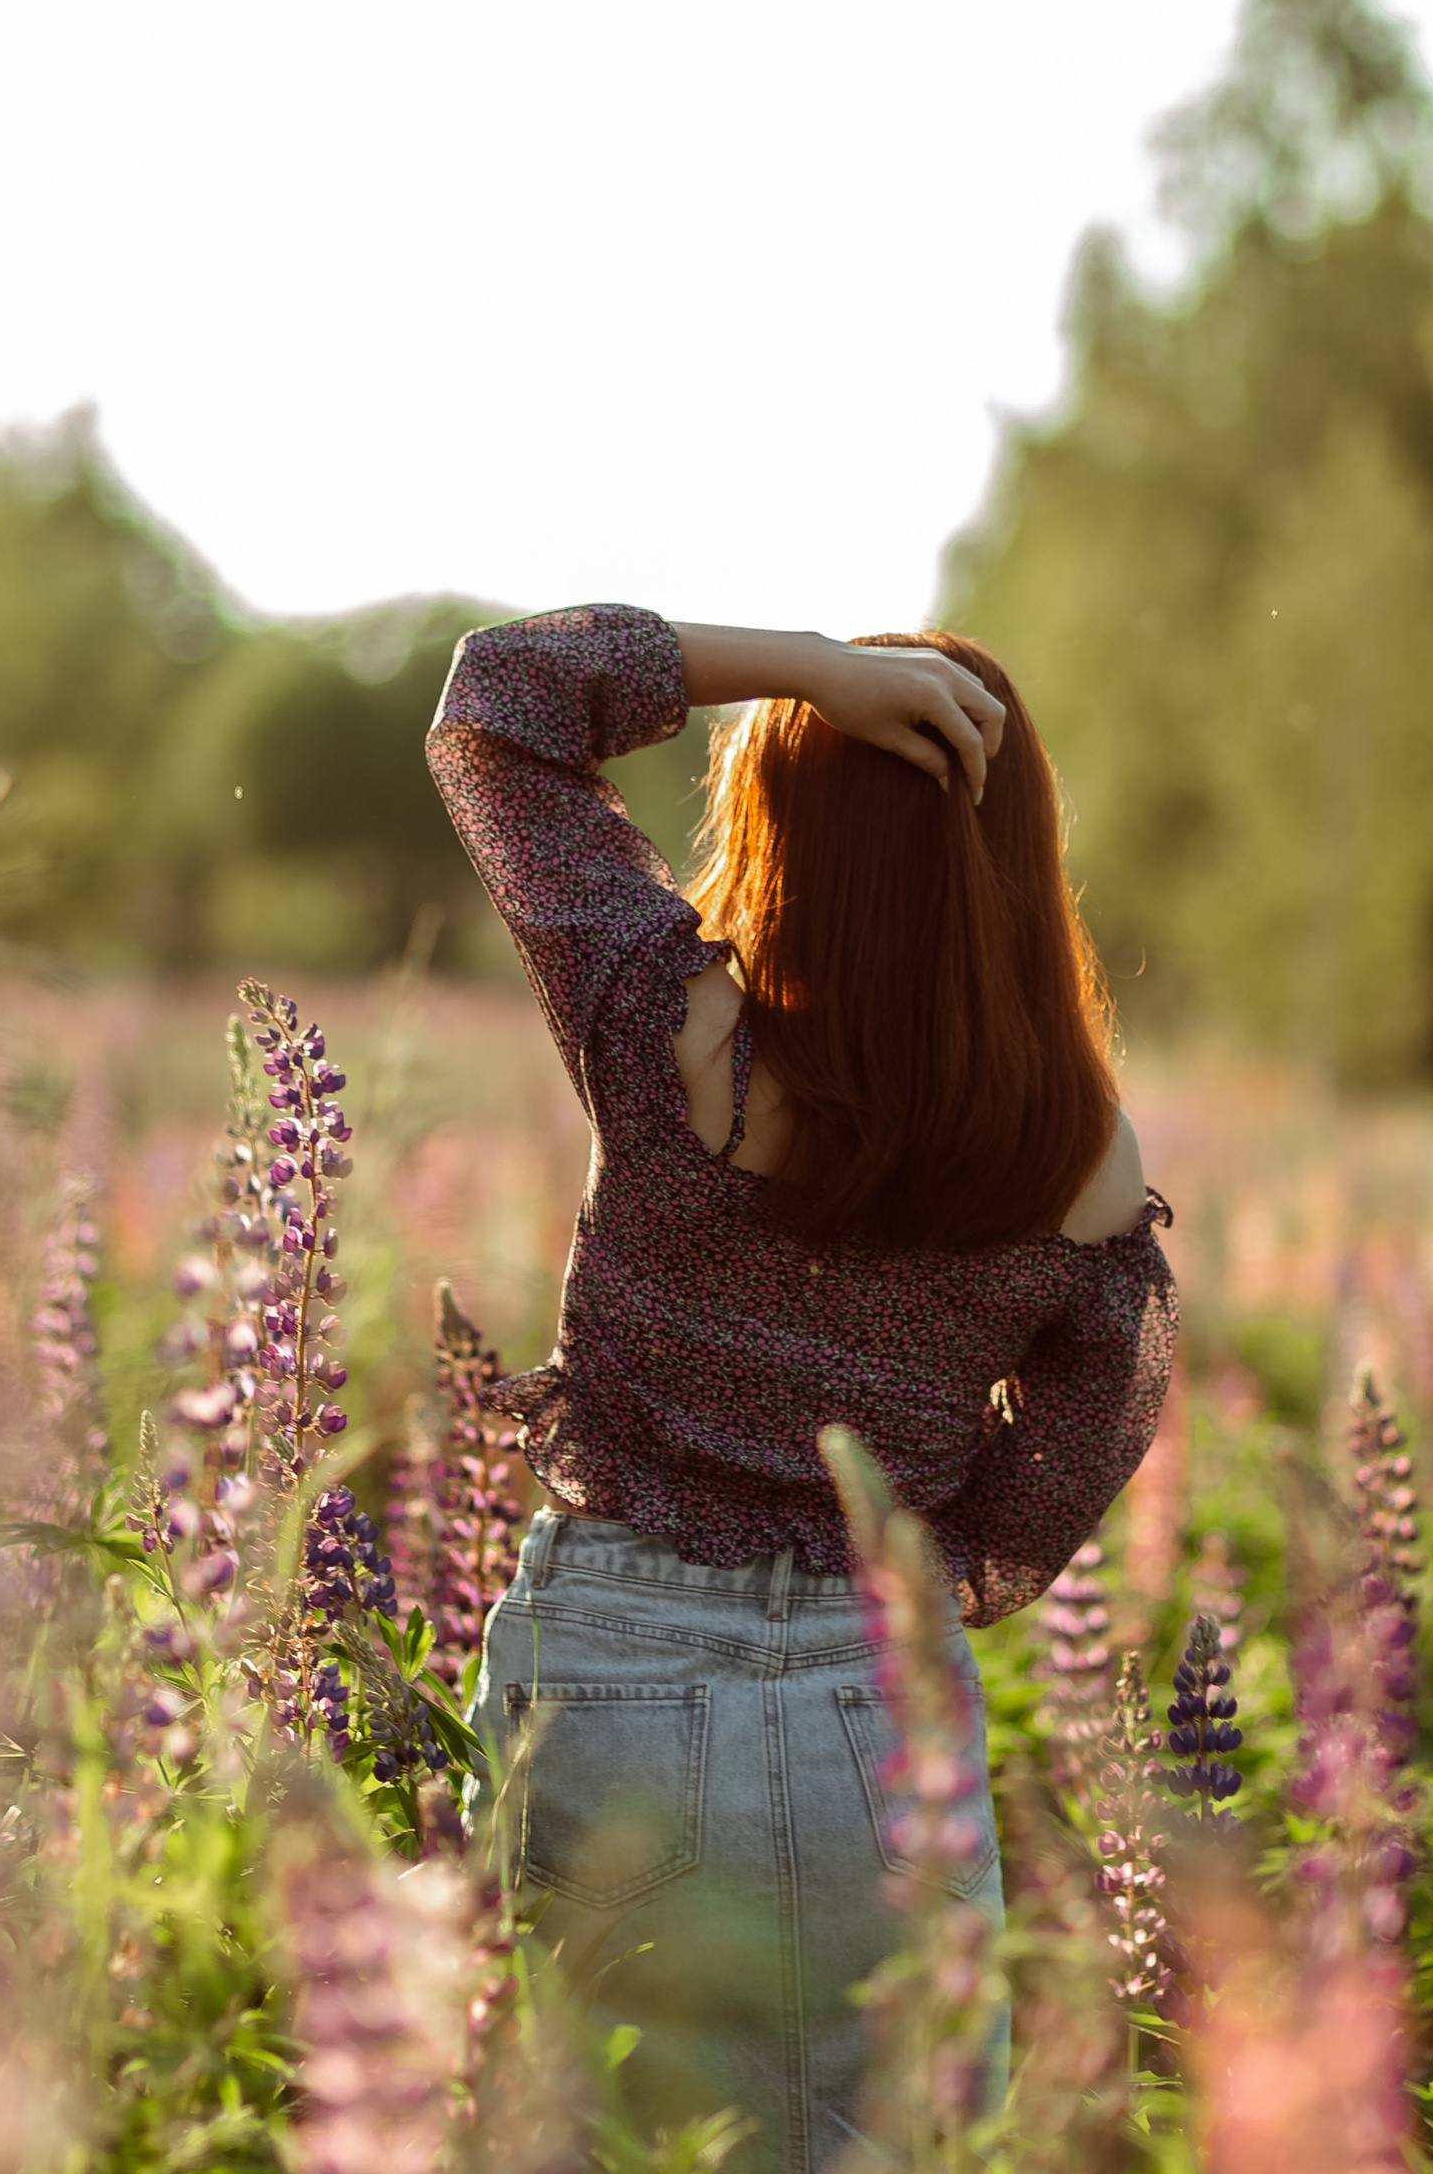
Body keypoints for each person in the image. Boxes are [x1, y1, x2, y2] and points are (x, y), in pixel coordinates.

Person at [426, 606, 1177, 2172]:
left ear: (781, 833)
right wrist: (918, 1565)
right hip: (869, 1706)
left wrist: (804, 677)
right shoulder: (1078, 1154)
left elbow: (497, 704)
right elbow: (1093, 1435)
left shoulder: (665, 1024)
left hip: (609, 1675)